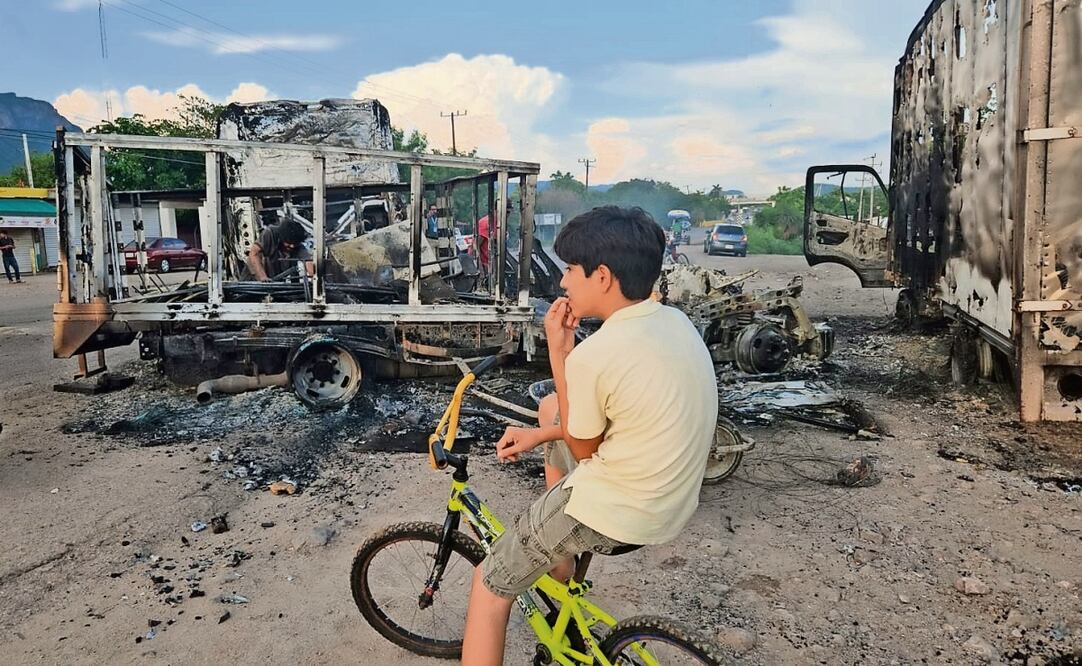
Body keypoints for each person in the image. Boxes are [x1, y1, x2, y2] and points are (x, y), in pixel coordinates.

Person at [461, 206, 718, 665]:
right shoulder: (674, 323)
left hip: (621, 510)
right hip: (672, 499)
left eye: (571, 271)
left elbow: (584, 447)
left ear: (601, 277)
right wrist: (543, 435)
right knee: (550, 408)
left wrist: (560, 352)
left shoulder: (594, 354)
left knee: (488, 586)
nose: (562, 283)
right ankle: (558, 562)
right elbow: (607, 420)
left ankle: (556, 544)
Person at [246, 219, 313, 281]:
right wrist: (262, 277)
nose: (292, 246)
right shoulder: (270, 234)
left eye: (295, 244)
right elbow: (254, 253)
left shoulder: (297, 244)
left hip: (274, 282)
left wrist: (314, 278)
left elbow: (308, 261)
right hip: (252, 281)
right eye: (289, 243)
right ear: (282, 238)